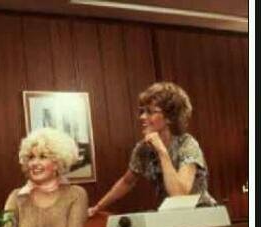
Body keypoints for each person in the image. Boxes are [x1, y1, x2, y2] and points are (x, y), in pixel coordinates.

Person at [89, 81, 216, 216]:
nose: (142, 117)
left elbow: (180, 195)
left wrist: (162, 151)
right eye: (142, 111)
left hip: (202, 215)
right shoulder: (143, 149)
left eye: (150, 112)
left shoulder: (187, 144)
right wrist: (97, 207)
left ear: (169, 117)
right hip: (172, 217)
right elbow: (127, 182)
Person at [4, 128, 89, 227]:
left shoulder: (76, 194)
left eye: (43, 157)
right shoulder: (16, 197)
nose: (34, 163)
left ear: (57, 163)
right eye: (31, 157)